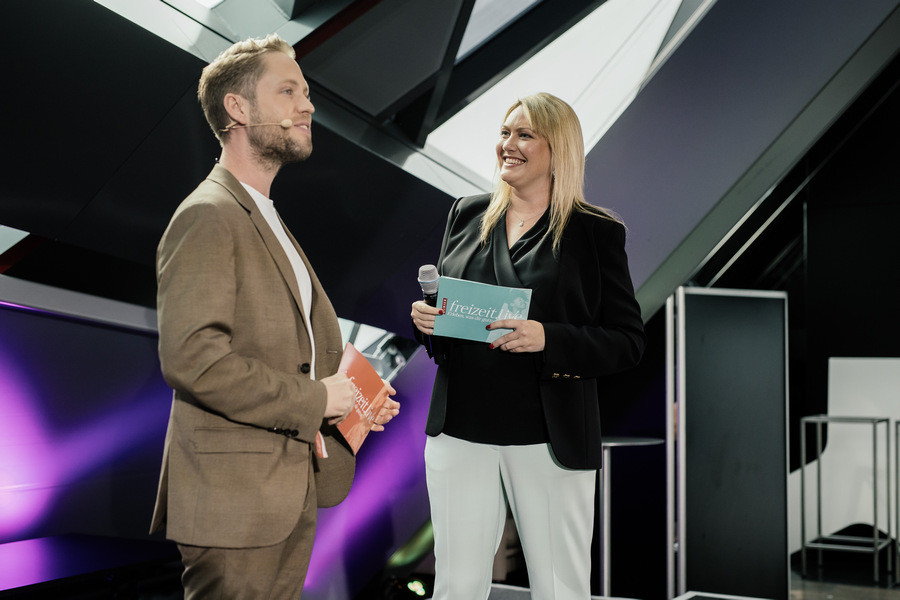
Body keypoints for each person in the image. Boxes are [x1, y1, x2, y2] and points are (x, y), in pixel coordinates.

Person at [150, 34, 399, 599]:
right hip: (234, 503)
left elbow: (292, 351)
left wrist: (356, 399)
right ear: (237, 108)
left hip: (285, 493)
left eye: (305, 93)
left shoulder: (265, 215)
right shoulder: (208, 214)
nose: (306, 105)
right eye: (288, 91)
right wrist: (317, 399)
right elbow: (194, 361)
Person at [410, 92, 645, 599]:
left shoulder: (595, 232)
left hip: (548, 437)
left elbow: (627, 343)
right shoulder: (466, 214)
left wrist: (548, 337)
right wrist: (428, 323)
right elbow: (451, 322)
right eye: (504, 132)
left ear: (558, 149)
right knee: (454, 587)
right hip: (461, 429)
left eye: (524, 135)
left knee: (560, 589)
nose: (507, 144)